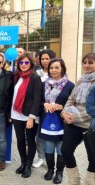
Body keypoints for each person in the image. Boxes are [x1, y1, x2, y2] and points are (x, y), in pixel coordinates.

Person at [39, 58, 74, 184]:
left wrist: (62, 107)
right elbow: (38, 101)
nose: (54, 70)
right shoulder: (44, 84)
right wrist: (45, 104)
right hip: (47, 121)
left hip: (63, 122)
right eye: (51, 68)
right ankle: (50, 170)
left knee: (60, 148)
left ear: (62, 69)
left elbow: (75, 104)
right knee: (48, 147)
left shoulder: (70, 85)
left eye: (57, 67)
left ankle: (59, 172)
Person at [61, 53, 95, 185]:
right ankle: (74, 181)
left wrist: (74, 117)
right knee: (66, 151)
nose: (86, 65)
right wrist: (64, 113)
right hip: (73, 123)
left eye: (90, 63)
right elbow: (71, 99)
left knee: (93, 158)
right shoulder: (81, 80)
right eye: (84, 62)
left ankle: (90, 182)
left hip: (90, 125)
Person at [11, 53, 42, 178]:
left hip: (29, 115)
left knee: (30, 140)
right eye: (21, 62)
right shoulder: (17, 76)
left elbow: (37, 99)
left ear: (31, 64)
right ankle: (23, 163)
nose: (23, 65)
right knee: (20, 140)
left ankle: (29, 165)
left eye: (26, 62)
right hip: (16, 113)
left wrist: (32, 117)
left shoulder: (35, 78)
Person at [33, 49, 56, 169]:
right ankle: (41, 157)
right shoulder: (36, 73)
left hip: (51, 110)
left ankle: (50, 159)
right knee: (38, 136)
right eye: (43, 59)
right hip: (37, 109)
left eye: (47, 58)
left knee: (50, 135)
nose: (45, 61)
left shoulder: (56, 73)